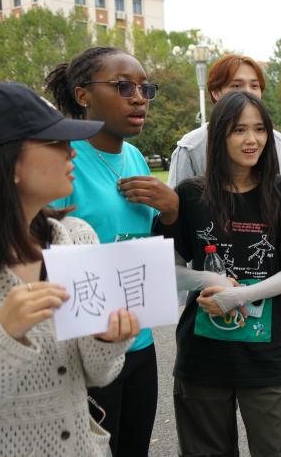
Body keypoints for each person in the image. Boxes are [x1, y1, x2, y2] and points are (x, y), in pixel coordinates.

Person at [0, 82, 139, 456]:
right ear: (7, 160)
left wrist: (106, 341)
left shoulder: (76, 238)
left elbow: (99, 375)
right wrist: (1, 333)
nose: (72, 151)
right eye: (56, 141)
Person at [155, 91, 281, 456]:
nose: (252, 140)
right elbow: (168, 268)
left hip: (267, 358)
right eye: (239, 130)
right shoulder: (191, 195)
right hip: (202, 357)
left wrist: (237, 296)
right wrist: (209, 281)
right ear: (219, 136)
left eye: (260, 129)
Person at [45, 47, 179, 457]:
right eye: (123, 87)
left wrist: (171, 210)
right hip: (84, 350)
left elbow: (149, 244)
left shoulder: (135, 157)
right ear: (83, 95)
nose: (139, 98)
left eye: (145, 89)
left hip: (139, 341)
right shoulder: (63, 160)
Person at [167, 53, 281, 188]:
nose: (248, 92)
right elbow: (176, 199)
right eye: (236, 86)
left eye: (254, 86)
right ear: (216, 93)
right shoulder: (191, 148)